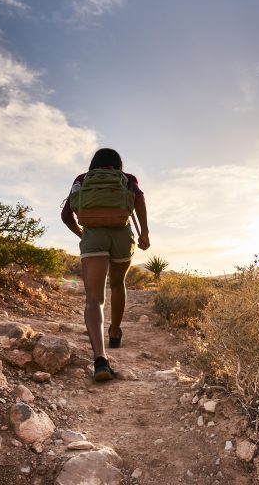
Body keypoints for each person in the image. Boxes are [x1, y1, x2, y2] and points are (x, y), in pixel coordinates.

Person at [61, 148, 150, 382]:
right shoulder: (127, 179)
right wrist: (145, 234)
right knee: (118, 284)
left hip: (94, 237)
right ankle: (115, 331)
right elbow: (139, 198)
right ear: (117, 164)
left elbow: (66, 215)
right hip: (122, 235)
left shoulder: (82, 180)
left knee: (94, 299)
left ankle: (100, 359)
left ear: (94, 164)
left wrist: (83, 234)